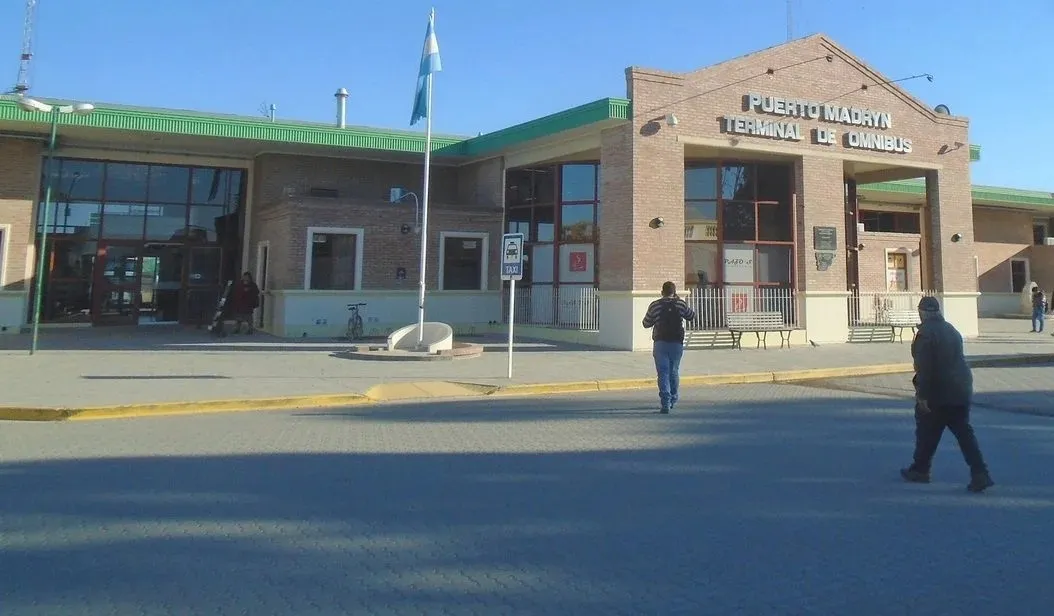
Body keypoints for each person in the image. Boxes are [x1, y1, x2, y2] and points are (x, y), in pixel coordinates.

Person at [900, 296, 994, 493]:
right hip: (961, 388)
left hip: (938, 391)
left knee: (926, 429)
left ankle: (920, 469)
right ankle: (980, 472)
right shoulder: (951, 329)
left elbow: (925, 368)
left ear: (922, 312)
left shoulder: (925, 333)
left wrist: (923, 395)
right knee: (963, 433)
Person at [641, 281, 696, 414]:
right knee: (674, 370)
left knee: (663, 372)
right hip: (676, 342)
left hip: (660, 342)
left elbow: (646, 323)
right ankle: (673, 398)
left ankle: (665, 402)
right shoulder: (680, 304)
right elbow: (691, 316)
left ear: (662, 291)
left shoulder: (655, 305)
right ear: (674, 291)